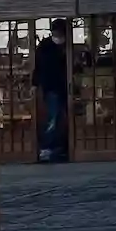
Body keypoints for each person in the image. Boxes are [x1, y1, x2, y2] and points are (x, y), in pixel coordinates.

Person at [33, 19, 69, 163]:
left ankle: (61, 147)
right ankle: (47, 148)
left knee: (63, 118)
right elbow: (38, 66)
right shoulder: (45, 47)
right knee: (53, 119)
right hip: (52, 87)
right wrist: (35, 83)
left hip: (66, 87)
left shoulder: (67, 45)